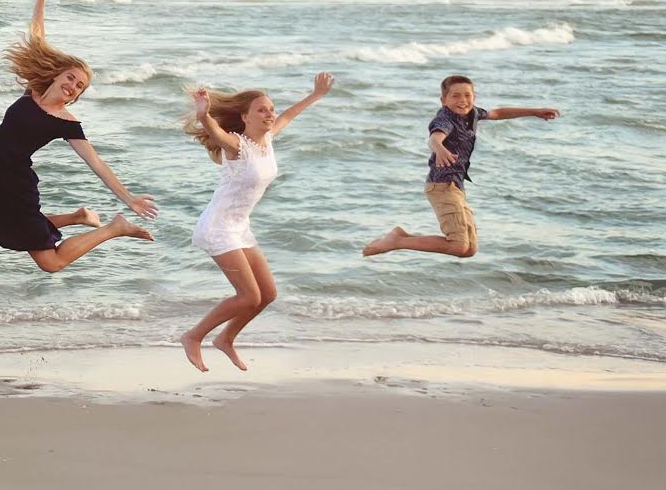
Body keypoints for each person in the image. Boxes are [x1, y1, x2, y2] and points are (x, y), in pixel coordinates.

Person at [0, 0, 158, 271]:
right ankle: (78, 217)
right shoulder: (34, 91)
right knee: (4, 229)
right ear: (58, 74)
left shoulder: (66, 122)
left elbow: (97, 163)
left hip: (13, 185)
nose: (72, 86)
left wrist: (130, 199)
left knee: (50, 263)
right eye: (70, 78)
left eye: (79, 86)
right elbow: (37, 40)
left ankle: (114, 228)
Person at [176, 73, 335, 371]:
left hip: (240, 227)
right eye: (262, 110)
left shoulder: (268, 140)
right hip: (218, 227)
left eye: (271, 109)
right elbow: (216, 133)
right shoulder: (237, 146)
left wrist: (316, 94)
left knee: (267, 295)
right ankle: (193, 336)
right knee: (249, 296)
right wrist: (204, 115)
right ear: (245, 117)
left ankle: (225, 338)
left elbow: (289, 115)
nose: (270, 114)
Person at [363, 74, 559, 260]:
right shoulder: (445, 119)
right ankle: (397, 241)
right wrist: (440, 149)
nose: (462, 100)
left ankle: (401, 236)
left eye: (467, 95)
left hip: (456, 187)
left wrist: (534, 111)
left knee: (469, 249)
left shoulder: (473, 113)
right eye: (455, 96)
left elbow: (497, 113)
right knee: (457, 245)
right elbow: (434, 138)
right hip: (441, 186)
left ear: (474, 97)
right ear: (443, 100)